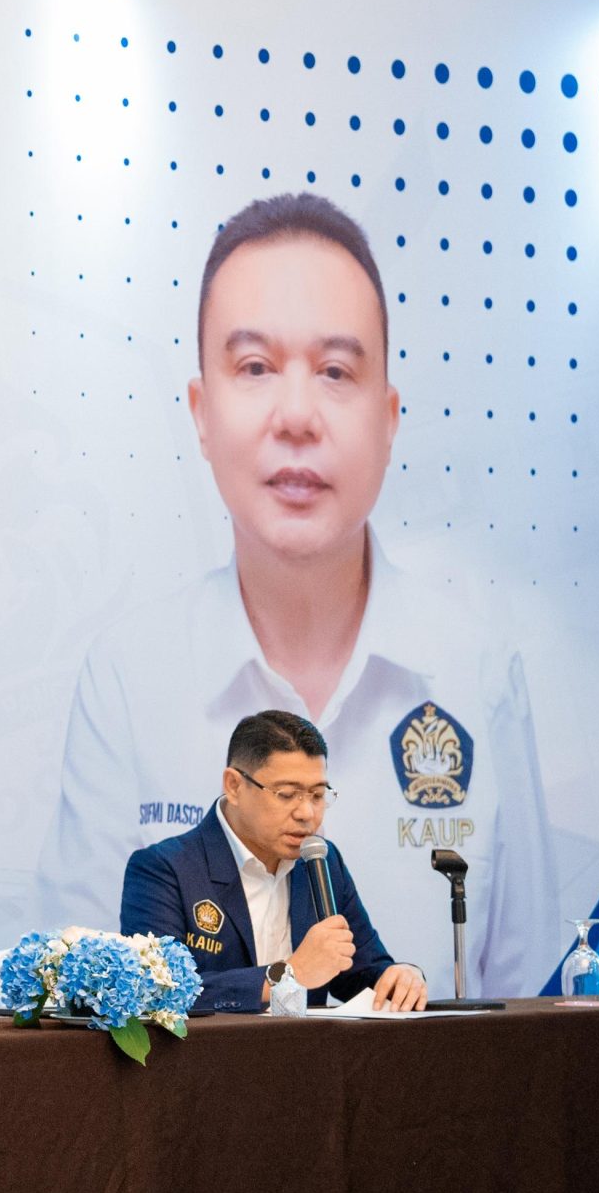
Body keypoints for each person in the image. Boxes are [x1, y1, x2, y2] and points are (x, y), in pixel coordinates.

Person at [39, 191, 565, 998]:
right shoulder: (129, 674)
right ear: (201, 412)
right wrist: (281, 978)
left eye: (335, 371)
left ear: (388, 418)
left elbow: (528, 988)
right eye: (255, 367)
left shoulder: (475, 667)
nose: (295, 416)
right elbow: (91, 986)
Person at [123, 710, 429, 1013]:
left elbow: (361, 971)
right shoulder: (164, 869)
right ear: (234, 786)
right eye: (286, 794)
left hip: (309, 1045)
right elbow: (157, 992)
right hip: (214, 1046)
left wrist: (401, 977)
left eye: (317, 795)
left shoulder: (322, 860)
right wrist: (286, 975)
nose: (306, 813)